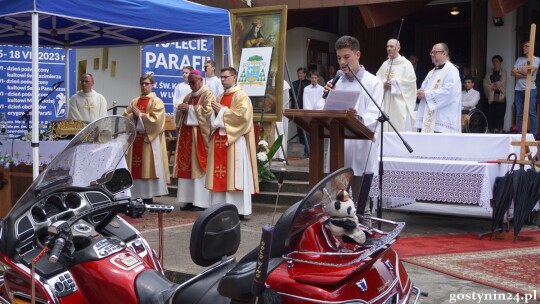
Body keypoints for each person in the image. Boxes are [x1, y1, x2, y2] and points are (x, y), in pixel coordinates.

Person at [323, 35, 383, 215]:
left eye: (346, 57)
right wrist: (326, 96)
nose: (342, 62)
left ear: (358, 55)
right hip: (338, 151)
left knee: (360, 204)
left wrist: (359, 118)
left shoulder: (373, 82)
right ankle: (334, 238)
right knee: (334, 203)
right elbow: (324, 113)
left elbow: (375, 114)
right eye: (339, 57)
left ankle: (364, 238)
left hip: (361, 150)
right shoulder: (336, 83)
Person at [206, 67, 258, 218]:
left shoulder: (241, 96)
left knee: (235, 175)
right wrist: (216, 112)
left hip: (234, 141)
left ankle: (238, 210)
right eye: (221, 77)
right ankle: (218, 209)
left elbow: (243, 118)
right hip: (219, 141)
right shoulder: (219, 96)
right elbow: (212, 118)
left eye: (225, 77)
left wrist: (222, 110)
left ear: (234, 77)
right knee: (220, 175)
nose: (222, 80)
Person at [123, 74, 170, 203]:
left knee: (148, 166)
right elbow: (126, 117)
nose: (144, 86)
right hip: (136, 139)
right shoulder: (134, 101)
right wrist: (133, 115)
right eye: (142, 83)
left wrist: (141, 115)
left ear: (152, 85)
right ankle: (136, 194)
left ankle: (148, 195)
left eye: (147, 83)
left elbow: (157, 121)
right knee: (136, 167)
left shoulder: (157, 101)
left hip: (149, 140)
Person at [173, 70, 214, 211]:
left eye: (193, 82)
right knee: (186, 167)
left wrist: (190, 109)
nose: (190, 85)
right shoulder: (189, 96)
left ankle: (200, 202)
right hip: (186, 136)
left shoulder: (208, 94)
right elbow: (180, 114)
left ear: (200, 80)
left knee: (198, 166)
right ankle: (188, 200)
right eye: (189, 82)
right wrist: (181, 110)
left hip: (199, 138)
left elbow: (208, 112)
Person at [415, 43, 462, 133]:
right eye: (431, 52)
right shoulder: (431, 72)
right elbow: (424, 88)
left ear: (444, 54)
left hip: (443, 119)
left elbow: (449, 92)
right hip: (429, 120)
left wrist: (426, 94)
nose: (432, 54)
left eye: (435, 52)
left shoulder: (451, 70)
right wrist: (420, 92)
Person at [376, 39, 417, 132]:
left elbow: (411, 83)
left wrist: (394, 83)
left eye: (391, 46)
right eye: (387, 46)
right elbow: (377, 80)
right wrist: (383, 83)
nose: (389, 48)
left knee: (398, 128)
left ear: (398, 48)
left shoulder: (406, 64)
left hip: (399, 104)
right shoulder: (385, 64)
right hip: (385, 102)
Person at [511, 41, 539, 138]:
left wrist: (519, 70)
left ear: (531, 48)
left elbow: (530, 72)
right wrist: (524, 72)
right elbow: (512, 72)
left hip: (531, 89)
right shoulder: (519, 59)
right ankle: (520, 134)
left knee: (531, 112)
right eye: (523, 46)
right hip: (518, 89)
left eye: (526, 46)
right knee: (519, 113)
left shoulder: (536, 59)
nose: (523, 47)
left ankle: (533, 134)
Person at [483, 55, 507, 133]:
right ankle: (492, 130)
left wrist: (493, 85)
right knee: (491, 114)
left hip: (500, 96)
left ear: (500, 62)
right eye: (494, 61)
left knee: (500, 114)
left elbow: (502, 83)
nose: (495, 63)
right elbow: (485, 83)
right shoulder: (489, 72)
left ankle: (500, 130)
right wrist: (492, 86)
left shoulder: (504, 72)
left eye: (497, 61)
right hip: (491, 96)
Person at [290, 67, 310, 158]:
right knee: (299, 125)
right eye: (299, 73)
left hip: (305, 108)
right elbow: (290, 95)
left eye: (301, 73)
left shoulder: (308, 84)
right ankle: (302, 140)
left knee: (306, 127)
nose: (300, 75)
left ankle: (306, 143)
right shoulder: (294, 83)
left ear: (305, 74)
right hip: (296, 107)